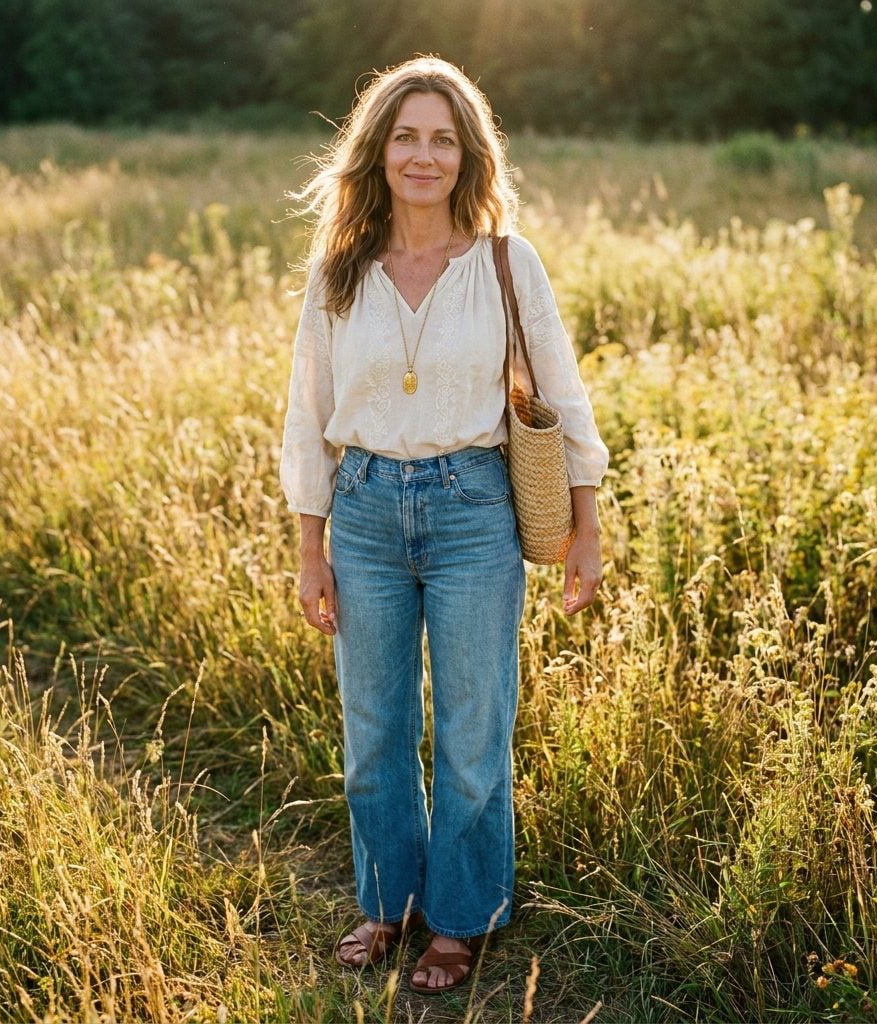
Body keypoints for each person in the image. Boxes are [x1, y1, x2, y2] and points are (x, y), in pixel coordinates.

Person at [280, 55, 609, 994]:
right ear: (378, 151)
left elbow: (563, 397)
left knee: (474, 732)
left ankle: (461, 918)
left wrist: (585, 527)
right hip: (367, 513)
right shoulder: (340, 270)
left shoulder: (509, 262)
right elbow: (308, 413)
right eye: (406, 136)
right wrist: (311, 548)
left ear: (469, 157)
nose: (423, 156)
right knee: (374, 729)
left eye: (443, 140)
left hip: (476, 513)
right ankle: (385, 903)